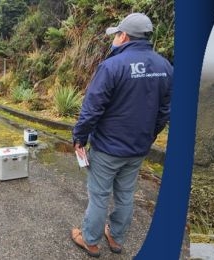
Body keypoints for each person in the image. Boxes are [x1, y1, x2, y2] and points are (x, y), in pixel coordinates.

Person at [69, 12, 173, 257]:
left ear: (124, 36)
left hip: (108, 148)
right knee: (126, 194)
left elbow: (92, 108)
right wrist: (148, 137)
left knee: (99, 195)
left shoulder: (112, 66)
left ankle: (90, 240)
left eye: (116, 34)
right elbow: (165, 111)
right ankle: (115, 239)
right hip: (137, 148)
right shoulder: (165, 67)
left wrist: (79, 137)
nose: (114, 38)